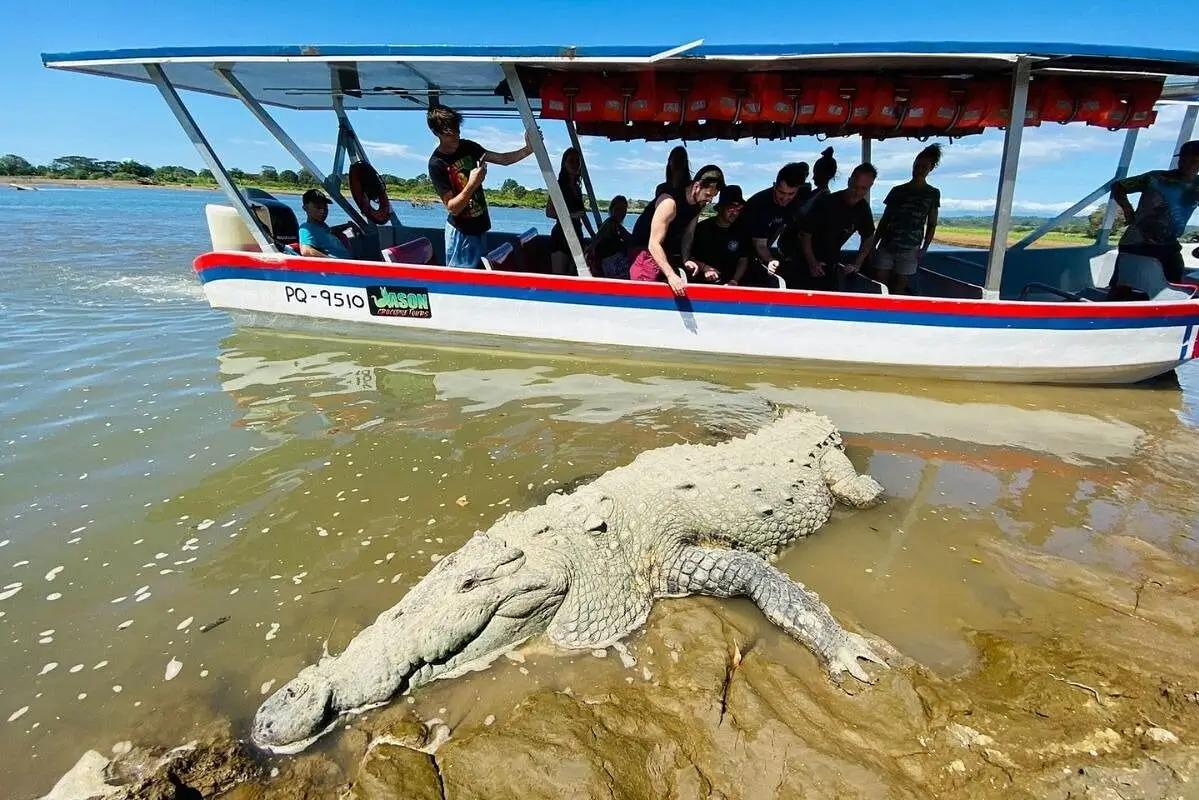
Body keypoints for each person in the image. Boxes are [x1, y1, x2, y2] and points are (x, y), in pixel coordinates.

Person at [427, 105, 534, 268]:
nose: (456, 134)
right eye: (450, 132)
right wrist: (473, 183)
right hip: (461, 233)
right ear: (436, 133)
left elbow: (503, 159)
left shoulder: (468, 147)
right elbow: (452, 208)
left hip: (479, 228)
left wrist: (529, 149)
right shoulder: (436, 164)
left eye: (457, 128)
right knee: (461, 284)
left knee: (477, 279)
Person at [628, 164, 725, 296]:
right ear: (697, 186)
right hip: (645, 251)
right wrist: (671, 275)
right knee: (647, 293)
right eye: (708, 195)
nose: (710, 200)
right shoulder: (669, 203)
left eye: (713, 196)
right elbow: (653, 244)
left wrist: (686, 259)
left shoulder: (698, 205)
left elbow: (688, 234)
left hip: (664, 250)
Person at [1110, 140, 1199, 283]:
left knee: (1174, 282)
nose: (1187, 164)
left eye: (1194, 161)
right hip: (1136, 242)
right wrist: (1128, 210)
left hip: (1169, 244)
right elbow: (1118, 186)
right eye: (1184, 159)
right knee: (1123, 285)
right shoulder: (1154, 178)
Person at [871, 144, 942, 294]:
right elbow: (885, 220)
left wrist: (925, 247)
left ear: (930, 169)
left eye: (924, 166)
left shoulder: (932, 193)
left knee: (899, 288)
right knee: (880, 285)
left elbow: (932, 223)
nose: (919, 169)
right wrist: (874, 244)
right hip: (887, 244)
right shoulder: (897, 191)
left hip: (910, 248)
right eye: (917, 165)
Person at [796, 163, 877, 291]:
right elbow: (805, 234)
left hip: (831, 265)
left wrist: (857, 264)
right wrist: (812, 263)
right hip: (805, 261)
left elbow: (868, 237)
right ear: (849, 181)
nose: (858, 192)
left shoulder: (863, 208)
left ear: (870, 187)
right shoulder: (826, 203)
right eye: (856, 187)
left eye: (864, 188)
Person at [729, 162, 809, 287]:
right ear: (774, 186)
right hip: (737, 250)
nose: (785, 199)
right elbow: (759, 244)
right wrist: (770, 260)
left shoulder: (794, 203)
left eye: (791, 194)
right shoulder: (760, 204)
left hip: (761, 249)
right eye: (781, 193)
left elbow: (780, 228)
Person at [549, 148, 597, 274]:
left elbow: (582, 214)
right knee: (559, 278)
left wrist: (593, 235)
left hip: (577, 235)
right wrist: (571, 215)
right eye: (571, 161)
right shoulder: (558, 186)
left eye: (577, 161)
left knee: (573, 276)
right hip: (561, 236)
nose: (575, 165)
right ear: (564, 164)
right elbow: (549, 212)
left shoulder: (577, 187)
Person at [689, 185, 746, 284]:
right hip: (702, 284)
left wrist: (734, 280)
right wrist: (704, 268)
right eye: (731, 208)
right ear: (720, 208)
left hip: (731, 285)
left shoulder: (741, 231)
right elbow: (688, 258)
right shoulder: (702, 228)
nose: (735, 213)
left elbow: (743, 260)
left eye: (738, 209)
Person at [297, 189, 353, 259]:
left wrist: (346, 226)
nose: (323, 211)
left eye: (325, 208)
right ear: (305, 208)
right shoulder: (306, 228)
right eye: (318, 207)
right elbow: (306, 251)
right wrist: (333, 261)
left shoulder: (322, 226)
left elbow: (328, 231)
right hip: (340, 266)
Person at [588, 195, 632, 279]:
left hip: (606, 262)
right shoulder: (611, 224)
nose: (621, 213)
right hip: (604, 263)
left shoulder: (613, 224)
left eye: (624, 210)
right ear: (612, 209)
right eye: (618, 209)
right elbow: (629, 239)